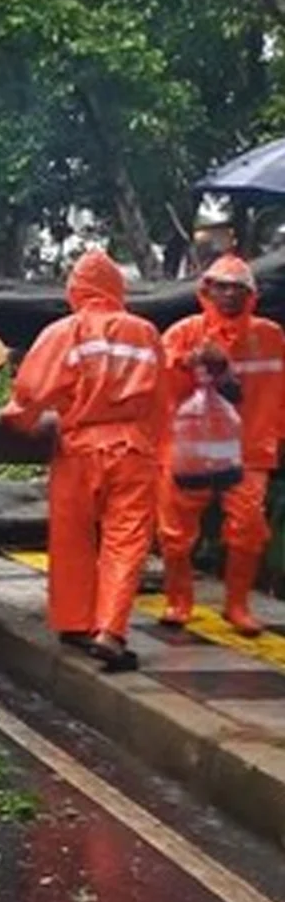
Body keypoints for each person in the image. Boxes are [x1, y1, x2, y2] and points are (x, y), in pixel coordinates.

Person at [1, 250, 168, 671]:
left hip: (78, 448)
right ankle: (110, 631)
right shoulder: (145, 333)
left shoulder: (65, 331)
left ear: (76, 289)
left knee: (72, 538)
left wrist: (18, 423)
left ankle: (75, 622)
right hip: (132, 449)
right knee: (125, 543)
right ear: (116, 289)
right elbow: (161, 402)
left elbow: (29, 393)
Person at [156, 255, 285, 635]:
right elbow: (159, 388)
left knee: (248, 527)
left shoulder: (270, 336)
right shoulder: (183, 333)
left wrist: (275, 437)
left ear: (252, 295)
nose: (229, 295)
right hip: (189, 451)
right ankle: (179, 601)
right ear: (206, 291)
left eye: (238, 288)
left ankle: (237, 605)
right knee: (174, 534)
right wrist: (188, 362)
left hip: (247, 451)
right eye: (221, 287)